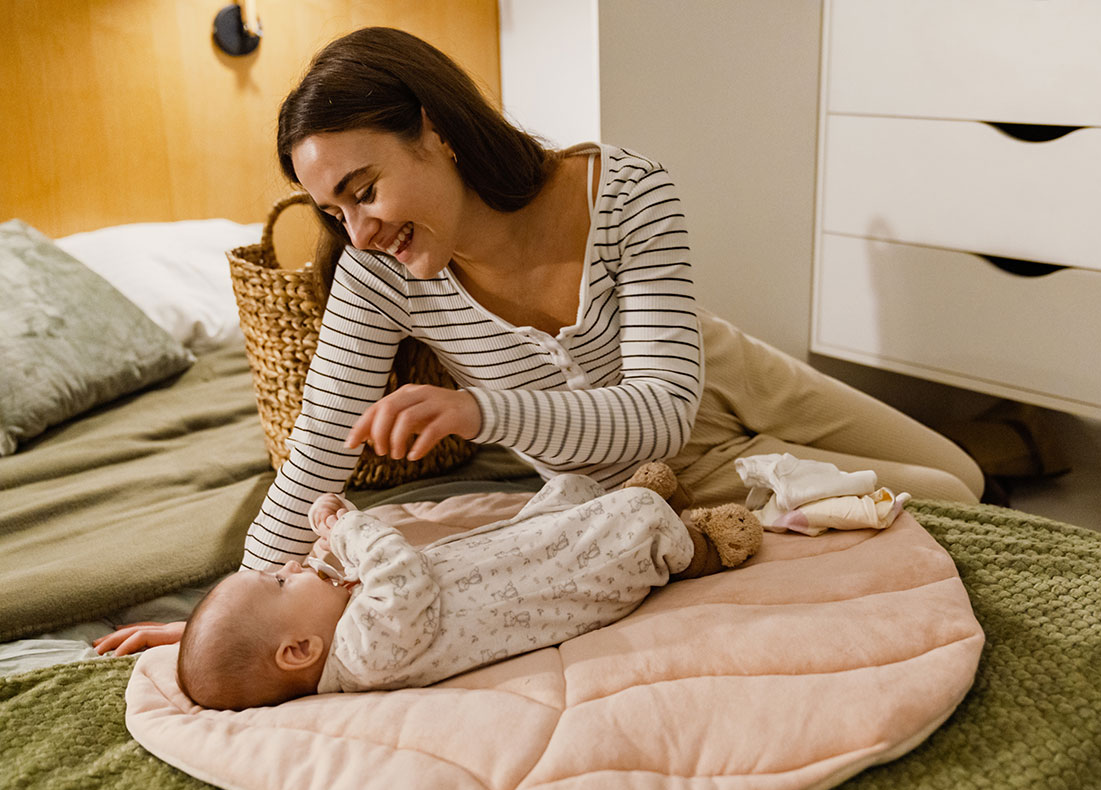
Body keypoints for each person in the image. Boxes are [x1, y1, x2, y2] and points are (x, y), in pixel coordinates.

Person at [94, 26, 981, 656]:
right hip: (652, 467)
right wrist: (233, 609)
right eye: (334, 211)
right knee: (951, 500)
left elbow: (666, 400)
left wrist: (479, 408)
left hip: (723, 372)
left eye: (365, 190)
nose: (356, 231)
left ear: (434, 132)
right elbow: (318, 449)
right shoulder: (379, 273)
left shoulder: (627, 190)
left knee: (965, 472)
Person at [177, 467, 762, 710]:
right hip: (553, 586)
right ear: (299, 650)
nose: (293, 568)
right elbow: (399, 576)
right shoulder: (362, 656)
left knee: (565, 494)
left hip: (505, 555)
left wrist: (327, 563)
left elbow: (374, 581)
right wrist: (344, 527)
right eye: (280, 581)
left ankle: (646, 509)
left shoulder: (343, 625)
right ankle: (696, 549)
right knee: (628, 524)